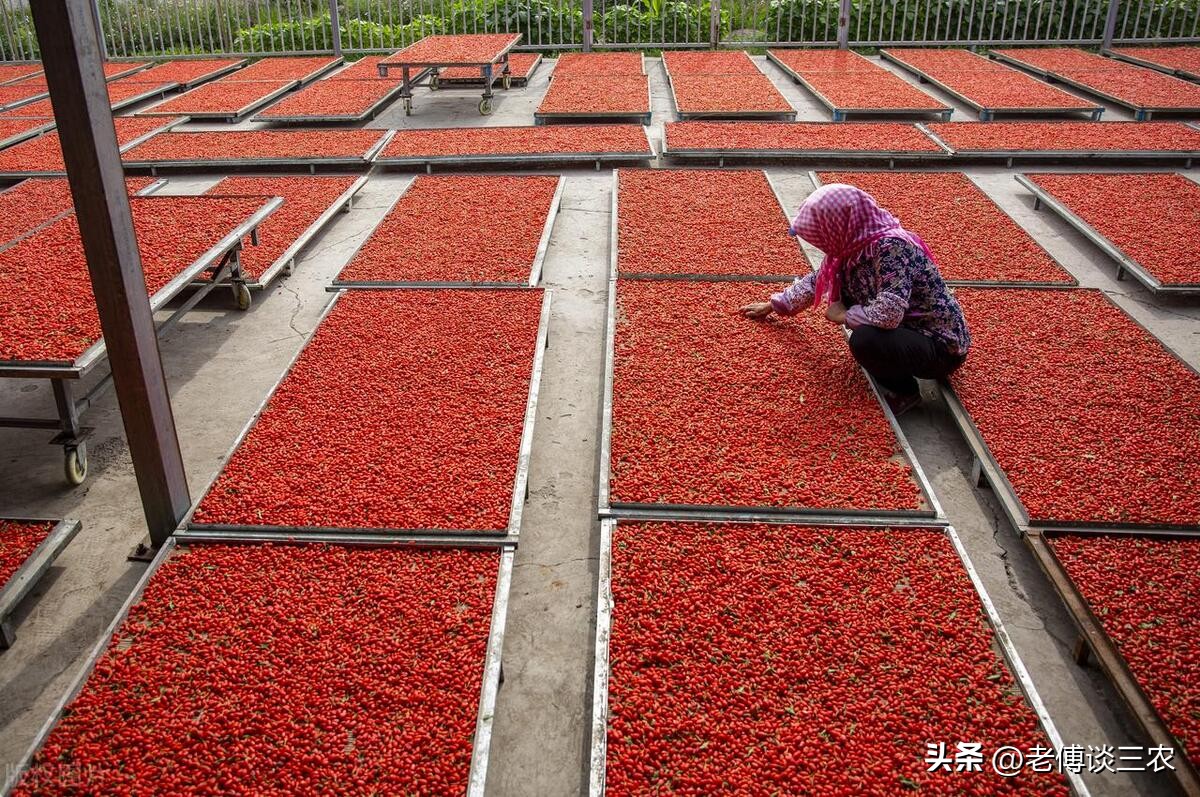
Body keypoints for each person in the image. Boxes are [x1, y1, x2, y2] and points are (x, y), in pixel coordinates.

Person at [741, 183, 970, 415]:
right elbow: (818, 280)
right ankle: (893, 360)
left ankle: (904, 392)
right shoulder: (855, 243)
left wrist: (843, 316)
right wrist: (774, 305)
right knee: (847, 289)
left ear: (840, 225)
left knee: (864, 340)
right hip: (909, 328)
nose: (821, 243)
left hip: (940, 347)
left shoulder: (890, 248)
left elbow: (889, 314)